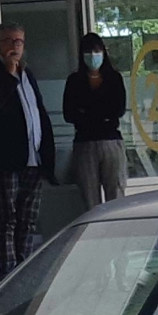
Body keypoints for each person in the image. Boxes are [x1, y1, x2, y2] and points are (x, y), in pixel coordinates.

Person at [0, 21, 54, 274]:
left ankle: (24, 268)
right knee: (6, 218)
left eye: (19, 41)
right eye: (9, 41)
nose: (15, 47)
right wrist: (8, 76)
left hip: (33, 158)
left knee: (28, 219)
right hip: (7, 159)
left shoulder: (27, 73)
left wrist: (47, 154)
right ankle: (7, 273)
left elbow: (38, 113)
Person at [63, 31, 128, 208]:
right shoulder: (74, 81)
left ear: (103, 53)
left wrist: (86, 111)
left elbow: (118, 109)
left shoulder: (114, 79)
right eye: (88, 52)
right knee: (89, 198)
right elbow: (69, 114)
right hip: (85, 143)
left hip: (111, 142)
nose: (93, 56)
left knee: (116, 195)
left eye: (97, 51)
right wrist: (101, 114)